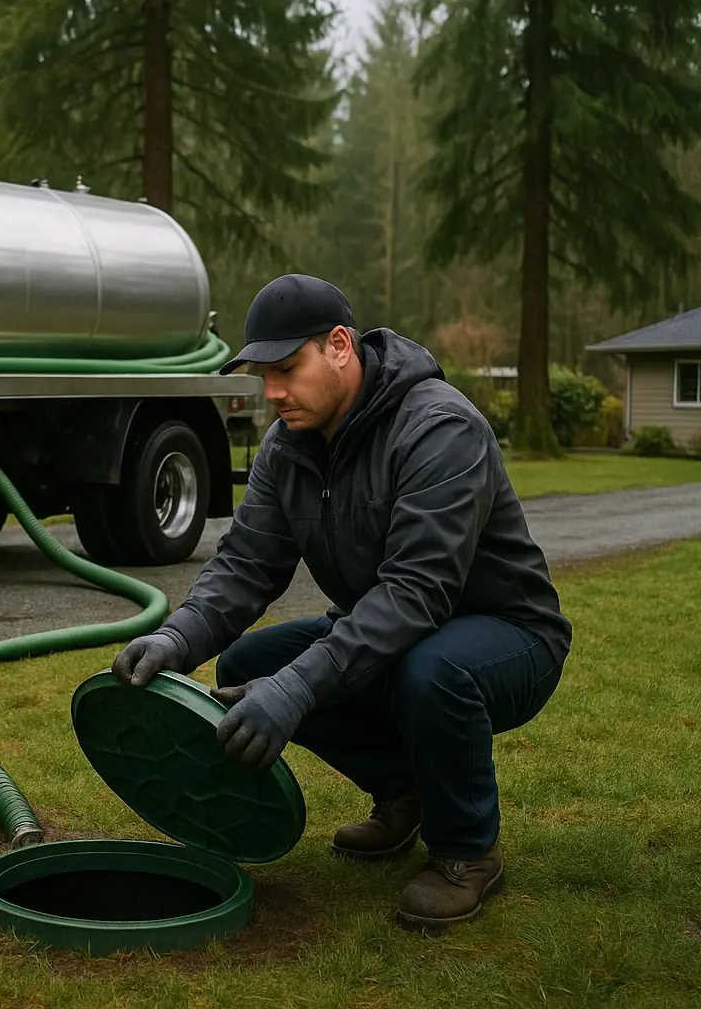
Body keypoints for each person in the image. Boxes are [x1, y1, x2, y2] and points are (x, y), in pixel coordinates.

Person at [111, 273, 571, 932]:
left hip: (506, 632)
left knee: (429, 671)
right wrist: (178, 637)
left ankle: (467, 852)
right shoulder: (288, 446)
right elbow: (246, 564)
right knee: (249, 665)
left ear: (337, 346)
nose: (272, 393)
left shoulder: (440, 427)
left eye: (286, 369)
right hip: (397, 628)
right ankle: (406, 790)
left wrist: (299, 689)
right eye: (262, 375)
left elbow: (418, 593)